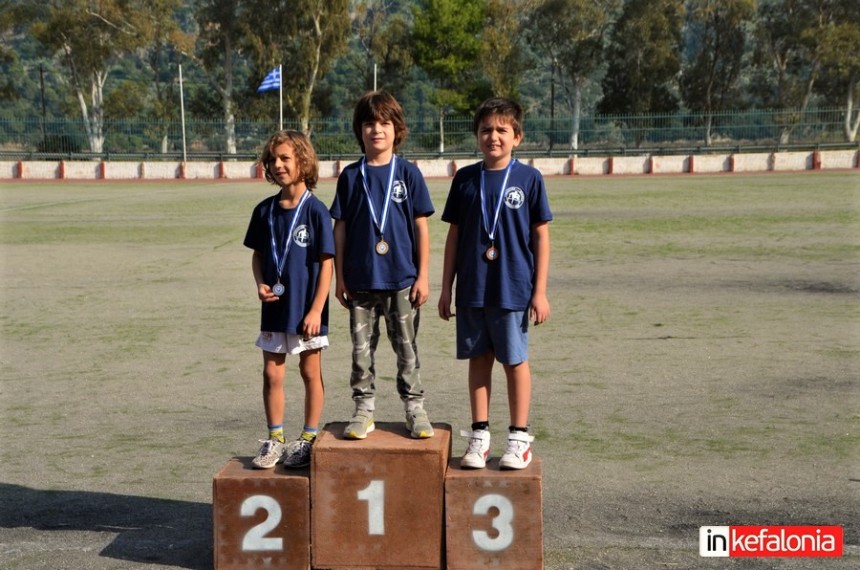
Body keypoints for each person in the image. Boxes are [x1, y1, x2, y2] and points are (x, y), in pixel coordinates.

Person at [437, 97, 552, 470]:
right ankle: (480, 436)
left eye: (502, 130)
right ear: (477, 136)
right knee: (478, 360)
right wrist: (445, 288)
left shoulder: (529, 179)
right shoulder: (466, 178)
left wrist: (540, 290)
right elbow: (454, 237)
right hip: (472, 287)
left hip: (512, 287)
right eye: (486, 129)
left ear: (517, 136)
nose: (493, 136)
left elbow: (541, 237)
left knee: (514, 361)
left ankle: (519, 438)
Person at [330, 90, 435, 440]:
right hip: (359, 281)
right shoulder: (350, 176)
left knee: (406, 347)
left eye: (385, 123)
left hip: (402, 279)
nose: (377, 130)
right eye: (370, 123)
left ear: (397, 129)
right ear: (360, 130)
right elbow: (340, 228)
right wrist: (339, 276)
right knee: (361, 350)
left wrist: (423, 275)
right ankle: (364, 409)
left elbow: (421, 226)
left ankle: (414, 408)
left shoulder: (408, 174)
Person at [243, 129, 334, 469]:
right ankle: (275, 438)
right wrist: (259, 283)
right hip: (275, 306)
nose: (279, 165)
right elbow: (257, 255)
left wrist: (316, 309)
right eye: (273, 160)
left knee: (310, 371)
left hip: (306, 309)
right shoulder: (264, 211)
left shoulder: (316, 211)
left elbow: (327, 264)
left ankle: (308, 437)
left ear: (302, 162)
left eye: (286, 158)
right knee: (271, 373)